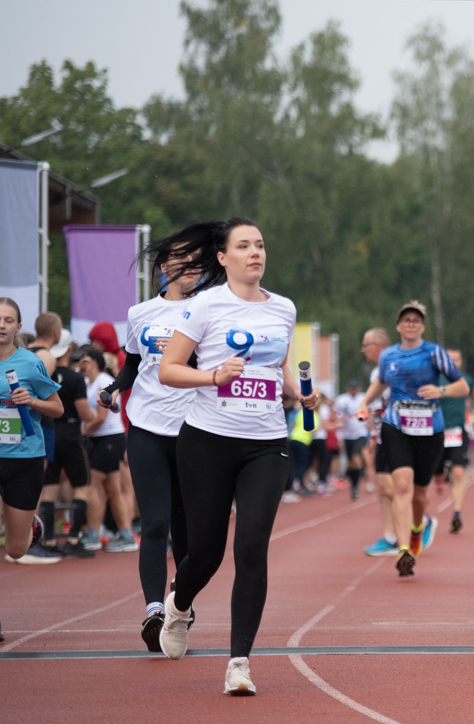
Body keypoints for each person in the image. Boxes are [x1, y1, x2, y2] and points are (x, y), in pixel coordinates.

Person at [157, 217, 318, 695]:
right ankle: (179, 604)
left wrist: (299, 393)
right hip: (207, 440)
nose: (255, 253)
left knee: (250, 547)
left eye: (260, 245)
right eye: (244, 246)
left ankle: (239, 663)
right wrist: (213, 377)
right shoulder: (205, 305)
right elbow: (169, 370)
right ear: (223, 257)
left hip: (266, 444)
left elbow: (278, 366)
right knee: (205, 554)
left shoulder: (283, 308)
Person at [100, 224, 208, 651]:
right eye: (182, 259)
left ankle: (180, 606)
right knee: (155, 523)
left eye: (197, 261)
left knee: (186, 529)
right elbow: (133, 365)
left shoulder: (209, 310)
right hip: (145, 426)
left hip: (192, 429)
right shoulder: (140, 313)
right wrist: (113, 388)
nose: (191, 267)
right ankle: (154, 612)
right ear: (163, 266)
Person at [357, 302, 468, 577]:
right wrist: (364, 402)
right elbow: (381, 382)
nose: (410, 324)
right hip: (396, 425)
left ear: (422, 326)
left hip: (430, 428)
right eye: (406, 320)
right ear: (398, 326)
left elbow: (462, 385)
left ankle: (417, 528)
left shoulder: (434, 352)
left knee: (419, 494)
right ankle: (404, 549)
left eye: (415, 320)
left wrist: (441, 390)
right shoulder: (388, 355)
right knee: (402, 486)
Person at [0, 297, 64, 643]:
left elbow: (57, 409)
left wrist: (31, 401)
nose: (1, 325)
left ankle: (29, 525)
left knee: (15, 550)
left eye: (8, 320)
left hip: (25, 462)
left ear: (18, 327)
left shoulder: (31, 364)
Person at [35, 329, 95, 559]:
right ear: (70, 349)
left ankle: (49, 540)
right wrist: (93, 414)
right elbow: (84, 412)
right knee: (81, 486)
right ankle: (73, 539)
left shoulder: (45, 374)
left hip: (49, 432)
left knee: (49, 489)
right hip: (70, 435)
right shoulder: (75, 378)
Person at [14, 314, 69, 564]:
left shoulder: (27, 353)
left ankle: (21, 541)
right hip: (36, 426)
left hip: (22, 425)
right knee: (32, 487)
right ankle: (28, 543)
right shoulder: (44, 357)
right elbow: (41, 394)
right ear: (56, 333)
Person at [79, 348, 137, 553]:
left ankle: (92, 534)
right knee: (113, 491)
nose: (80, 365)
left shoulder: (104, 381)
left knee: (92, 487)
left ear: (93, 362)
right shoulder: (90, 382)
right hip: (103, 439)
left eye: (83, 361)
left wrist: (83, 432)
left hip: (109, 439)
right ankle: (126, 536)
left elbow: (101, 417)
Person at [359, 328, 400, 555]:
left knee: (394, 485)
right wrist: (374, 435)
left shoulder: (391, 367)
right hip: (383, 433)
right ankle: (390, 537)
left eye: (365, 346)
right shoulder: (377, 371)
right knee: (383, 487)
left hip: (398, 432)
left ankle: (418, 519)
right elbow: (377, 407)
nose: (362, 351)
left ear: (376, 346)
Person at [438, 348, 474, 533]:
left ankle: (456, 514)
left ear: (461, 361)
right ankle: (441, 476)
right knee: (436, 475)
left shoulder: (466, 380)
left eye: (456, 359)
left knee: (458, 473)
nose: (453, 362)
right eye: (450, 359)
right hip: (436, 433)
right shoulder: (435, 379)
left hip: (457, 431)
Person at [334, 379, 368, 500]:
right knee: (351, 463)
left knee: (356, 457)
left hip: (360, 433)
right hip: (347, 435)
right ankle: (354, 485)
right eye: (351, 388)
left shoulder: (363, 398)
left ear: (358, 388)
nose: (353, 390)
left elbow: (368, 413)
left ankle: (357, 484)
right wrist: (340, 422)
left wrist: (363, 418)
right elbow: (336, 416)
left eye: (355, 388)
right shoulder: (341, 400)